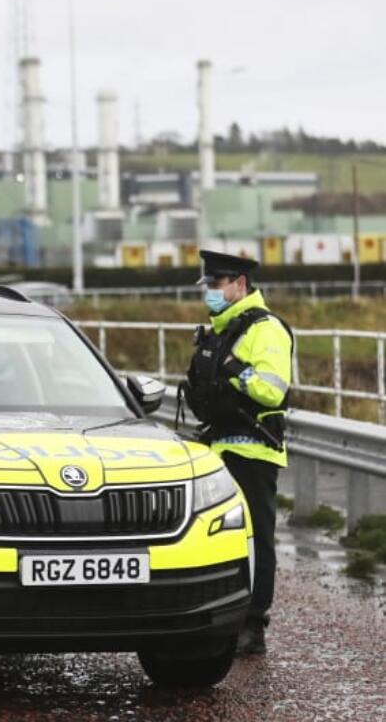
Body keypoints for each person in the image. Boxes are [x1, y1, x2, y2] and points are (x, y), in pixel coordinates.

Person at [181, 250, 293, 656]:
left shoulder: (266, 329)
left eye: (216, 284)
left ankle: (254, 625)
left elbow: (271, 389)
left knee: (257, 539)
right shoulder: (222, 329)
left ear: (239, 285)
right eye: (208, 285)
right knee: (214, 536)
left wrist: (231, 367)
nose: (210, 292)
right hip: (218, 448)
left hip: (254, 450)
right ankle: (215, 614)